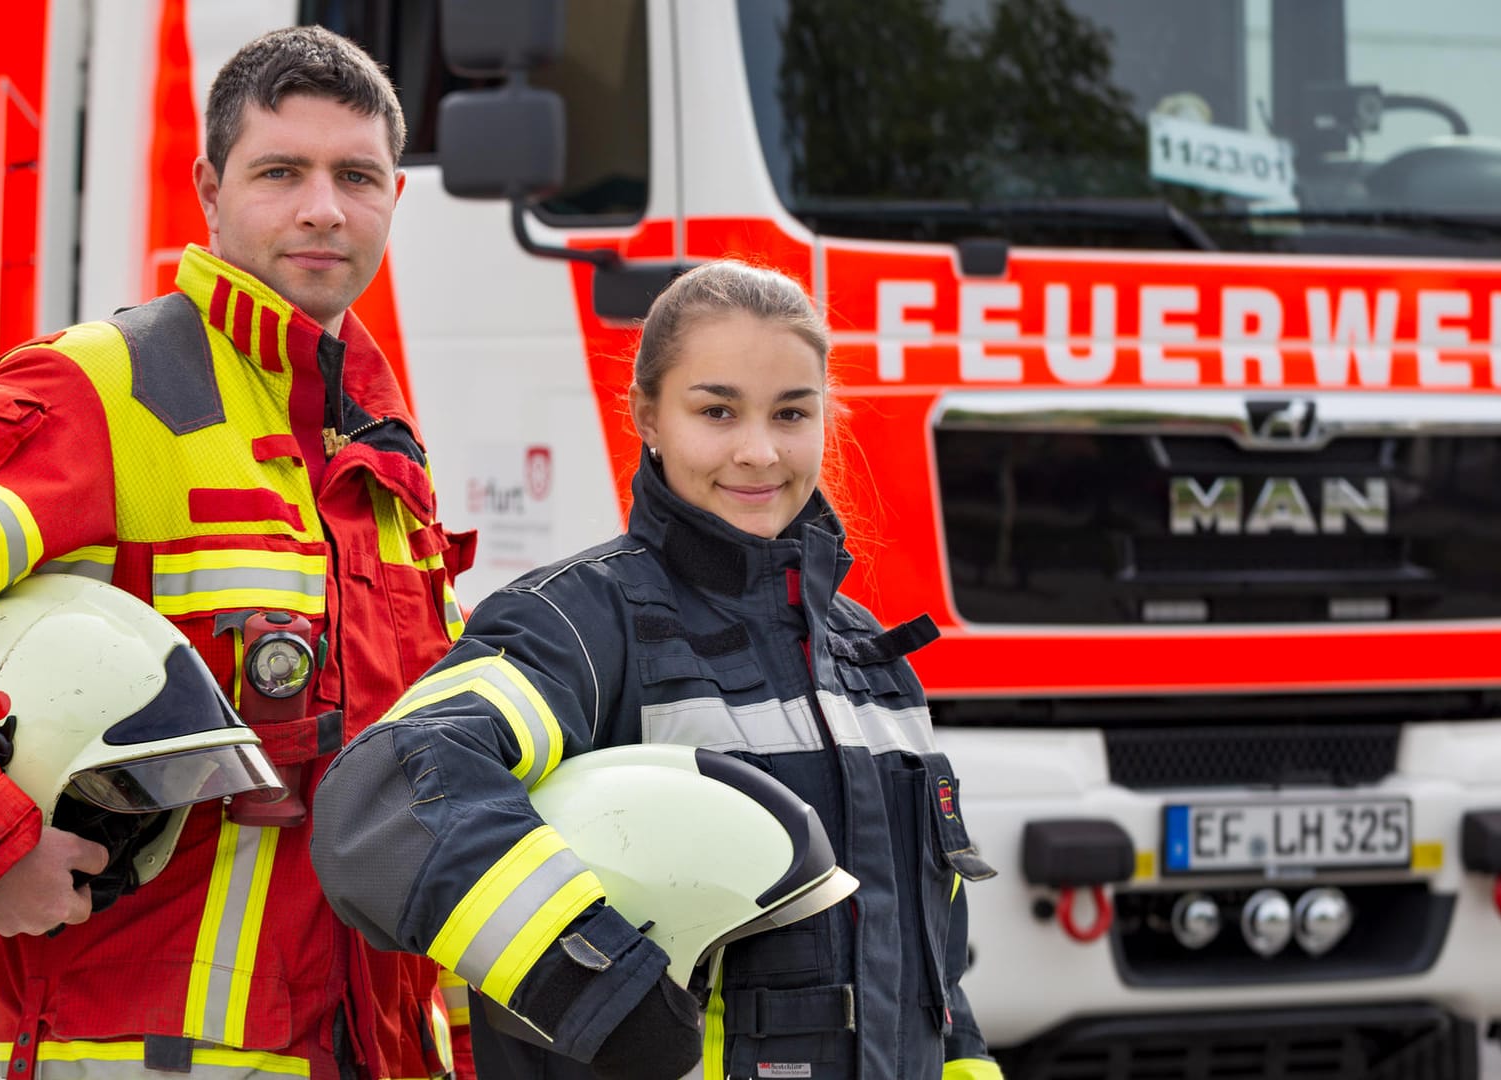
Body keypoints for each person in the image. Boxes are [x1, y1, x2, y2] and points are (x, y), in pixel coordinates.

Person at [0, 26, 475, 1080]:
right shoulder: (111, 387)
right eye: (281, 171)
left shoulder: (374, 442)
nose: (323, 208)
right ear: (209, 186)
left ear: (392, 200)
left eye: (355, 176)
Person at [310, 260, 1004, 1080]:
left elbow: (938, 991)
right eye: (717, 411)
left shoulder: (875, 665)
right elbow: (386, 794)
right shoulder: (579, 625)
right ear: (647, 415)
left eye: (792, 413)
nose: (759, 451)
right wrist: (594, 985)